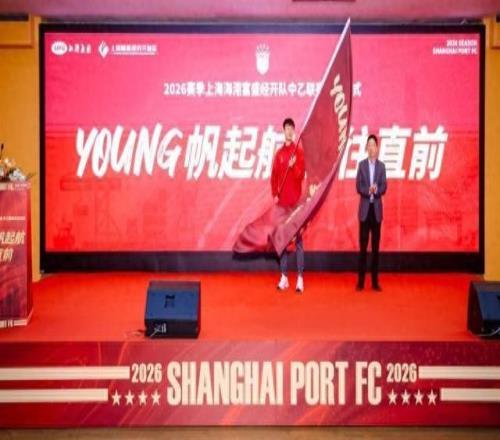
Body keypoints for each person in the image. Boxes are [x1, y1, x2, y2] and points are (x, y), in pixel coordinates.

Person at [271, 118, 305, 293]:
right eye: (287, 128)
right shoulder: (279, 154)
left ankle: (300, 278)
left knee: (298, 241)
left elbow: (301, 176)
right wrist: (275, 194)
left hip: (296, 204)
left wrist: (293, 167)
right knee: (283, 241)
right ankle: (284, 276)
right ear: (283, 131)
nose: (289, 131)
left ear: (294, 131)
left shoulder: (298, 152)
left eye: (292, 128)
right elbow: (274, 176)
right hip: (282, 204)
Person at [356, 134, 387, 292]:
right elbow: (358, 186)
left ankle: (375, 282)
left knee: (375, 248)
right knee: (363, 248)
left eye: (373, 145)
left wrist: (377, 190)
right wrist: (368, 190)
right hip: (364, 212)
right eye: (369, 145)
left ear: (377, 148)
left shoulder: (381, 167)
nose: (371, 148)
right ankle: (361, 282)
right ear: (366, 148)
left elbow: (384, 186)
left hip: (376, 212)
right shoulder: (361, 165)